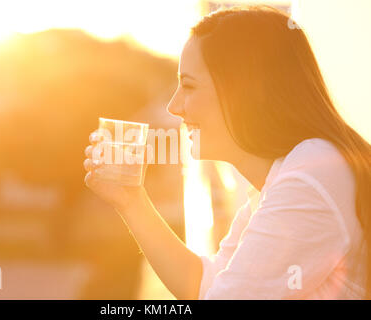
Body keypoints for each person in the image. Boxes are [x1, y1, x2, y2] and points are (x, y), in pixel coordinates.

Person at [83, 5, 371, 299]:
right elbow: (204, 284)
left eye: (188, 86)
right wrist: (132, 201)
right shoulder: (284, 179)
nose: (174, 106)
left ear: (240, 91)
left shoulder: (308, 177)